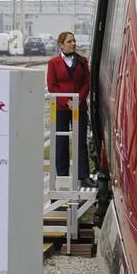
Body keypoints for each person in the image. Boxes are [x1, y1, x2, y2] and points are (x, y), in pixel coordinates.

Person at [45, 31, 94, 187]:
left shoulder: (82, 61)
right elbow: (52, 86)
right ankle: (63, 176)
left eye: (74, 41)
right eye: (69, 41)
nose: (73, 43)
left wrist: (78, 100)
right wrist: (66, 101)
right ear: (61, 44)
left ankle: (83, 176)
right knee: (61, 142)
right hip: (61, 108)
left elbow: (87, 82)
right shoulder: (53, 63)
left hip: (79, 107)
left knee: (80, 141)